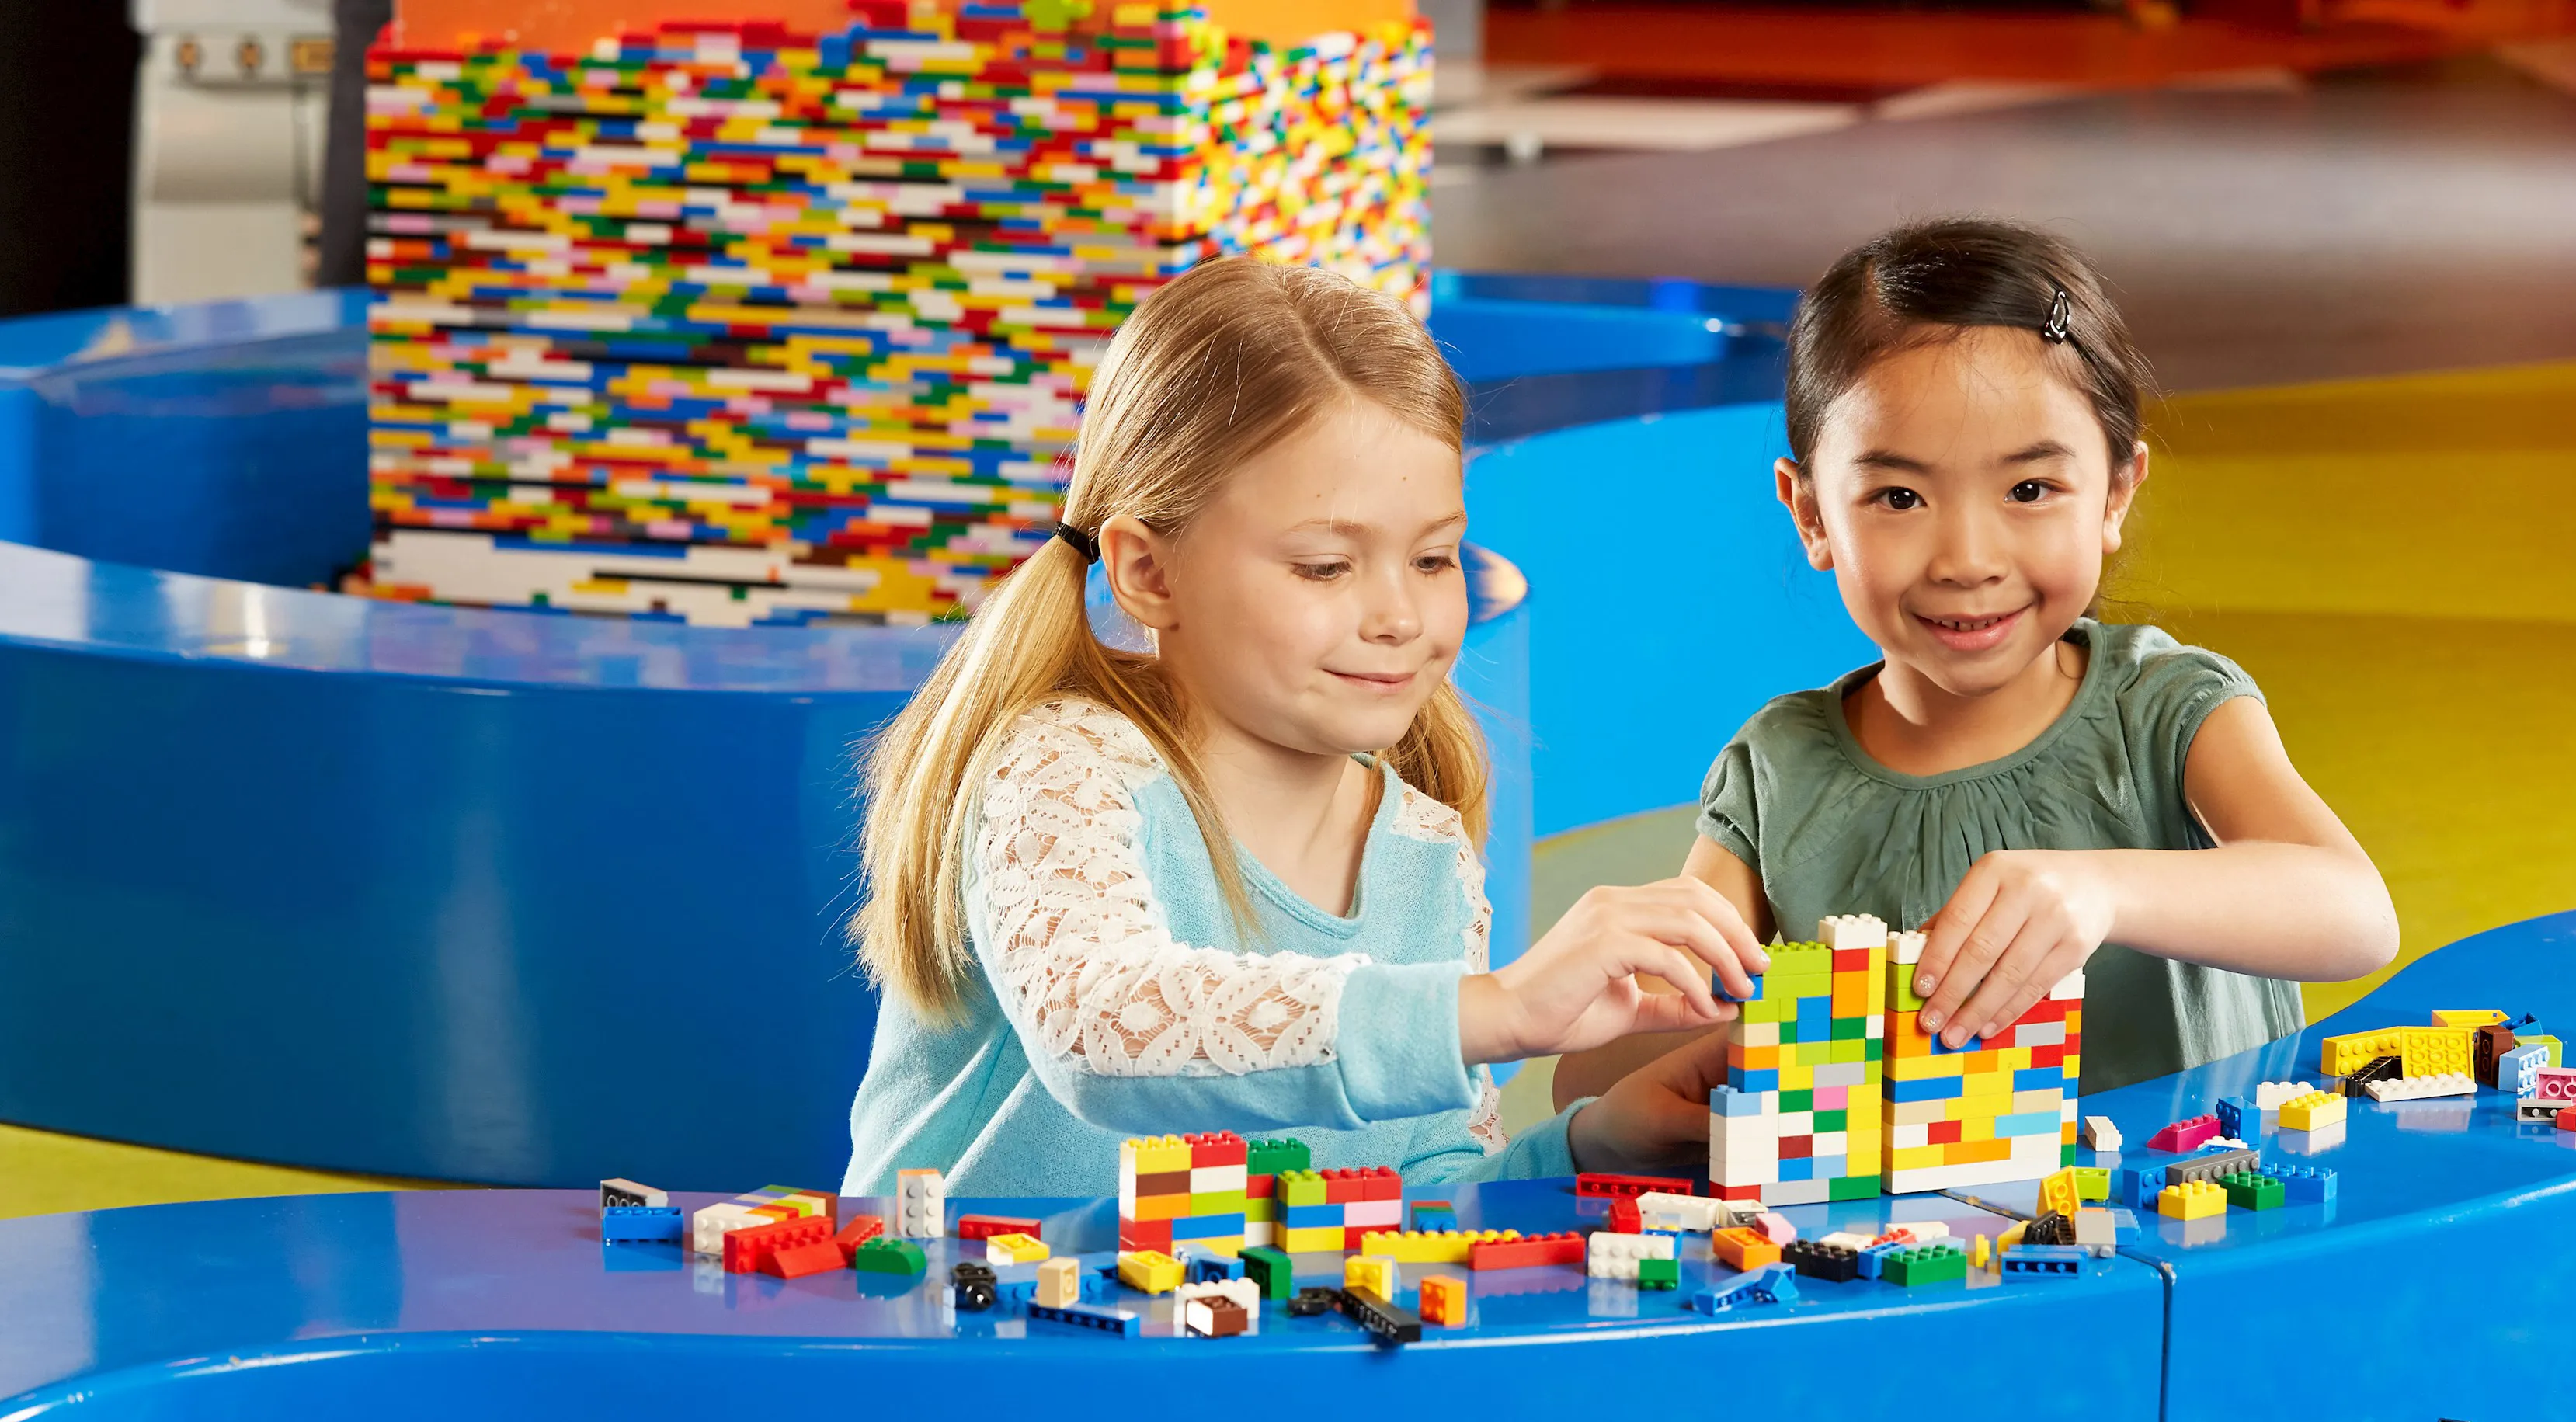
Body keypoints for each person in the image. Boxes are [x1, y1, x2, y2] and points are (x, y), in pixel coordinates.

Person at [846, 256, 1762, 1196]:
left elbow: (1423, 1191)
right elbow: (1105, 1031)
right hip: (970, 1330)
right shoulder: (1061, 766)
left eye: (1435, 557)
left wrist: (1589, 1145)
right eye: (1327, 566)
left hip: (1231, 1340)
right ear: (1148, 574)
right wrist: (1495, 1009)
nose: (1400, 616)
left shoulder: (1426, 850)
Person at [1559, 217, 2396, 1112]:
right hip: (1909, 1242)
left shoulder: (2168, 707)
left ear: (2116, 492)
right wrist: (1708, 1014)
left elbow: (2352, 914)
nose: (1967, 557)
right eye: (1899, 496)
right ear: (1810, 515)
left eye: (2029, 490)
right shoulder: (1779, 771)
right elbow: (1597, 1076)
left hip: (2208, 1224)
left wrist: (2104, 888)